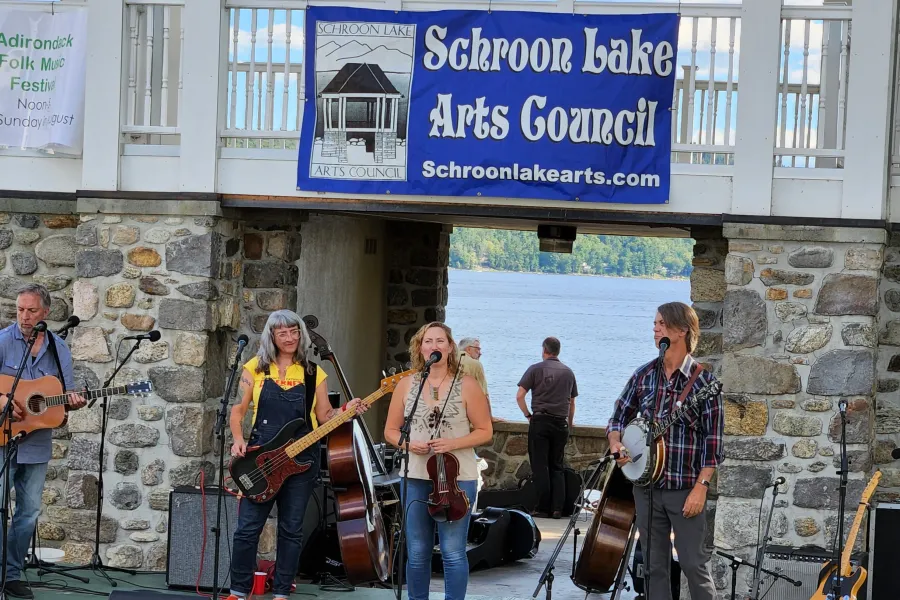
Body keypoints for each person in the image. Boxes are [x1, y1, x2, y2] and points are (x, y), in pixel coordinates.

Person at [226, 310, 367, 600]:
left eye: (294, 332)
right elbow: (238, 409)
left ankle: (281, 593)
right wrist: (238, 440)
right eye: (283, 333)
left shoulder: (314, 372)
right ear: (272, 337)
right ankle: (238, 591)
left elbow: (325, 416)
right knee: (246, 529)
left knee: (291, 530)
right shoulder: (255, 368)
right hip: (261, 457)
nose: (290, 338)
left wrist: (346, 412)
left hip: (302, 461)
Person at [606, 302, 723, 600]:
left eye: (661, 323)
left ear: (682, 330)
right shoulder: (644, 375)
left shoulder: (704, 383)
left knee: (692, 564)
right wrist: (616, 443)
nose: (655, 328)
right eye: (654, 323)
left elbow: (713, 443)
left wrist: (701, 488)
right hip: (646, 488)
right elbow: (618, 416)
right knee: (653, 566)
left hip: (685, 489)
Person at [384, 322, 493, 600]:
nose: (434, 346)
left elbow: (485, 430)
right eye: (428, 341)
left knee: (452, 551)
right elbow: (390, 431)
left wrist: (453, 443)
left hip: (458, 478)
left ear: (450, 347)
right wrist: (409, 444)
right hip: (416, 474)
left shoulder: (467, 384)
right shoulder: (407, 384)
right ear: (420, 348)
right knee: (418, 550)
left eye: (440, 341)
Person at [0, 283, 87, 599]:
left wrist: (74, 402)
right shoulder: (2, 342)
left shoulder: (58, 349)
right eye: (20, 309)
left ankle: (10, 575)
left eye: (31, 310)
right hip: (2, 438)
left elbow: (64, 395)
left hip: (36, 442)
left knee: (28, 512)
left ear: (46, 313)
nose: (24, 316)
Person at [516, 336, 577, 519]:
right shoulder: (568, 372)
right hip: (561, 423)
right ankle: (558, 508)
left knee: (540, 466)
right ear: (558, 351)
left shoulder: (535, 369)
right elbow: (571, 402)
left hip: (540, 421)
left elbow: (520, 396)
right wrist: (570, 423)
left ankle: (542, 507)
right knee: (557, 466)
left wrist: (528, 415)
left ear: (544, 350)